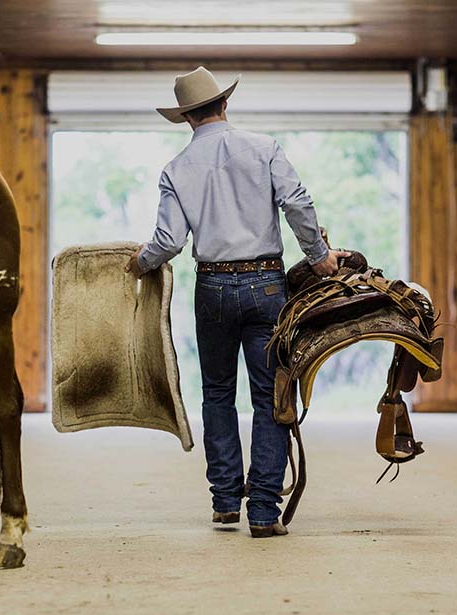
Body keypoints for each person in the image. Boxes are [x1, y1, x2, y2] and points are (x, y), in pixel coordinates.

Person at [124, 67, 349, 538]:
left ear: (187, 117)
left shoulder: (176, 170)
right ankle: (263, 511)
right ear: (224, 104)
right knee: (271, 395)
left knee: (217, 393)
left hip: (212, 288)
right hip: (267, 285)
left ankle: (226, 501)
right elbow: (297, 203)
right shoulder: (265, 149)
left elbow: (168, 241)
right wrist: (319, 256)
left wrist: (139, 264)